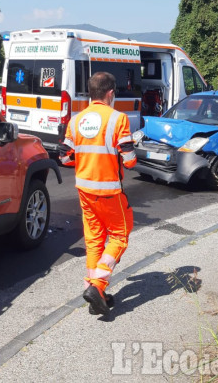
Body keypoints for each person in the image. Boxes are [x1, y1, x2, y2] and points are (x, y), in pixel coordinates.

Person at [59, 72, 137, 315]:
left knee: (94, 241)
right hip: (110, 192)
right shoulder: (119, 119)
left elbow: (64, 157)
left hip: (84, 190)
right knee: (120, 236)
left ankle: (96, 295)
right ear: (110, 93)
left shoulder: (75, 121)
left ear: (90, 94)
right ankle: (98, 285)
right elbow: (131, 161)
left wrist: (85, 160)